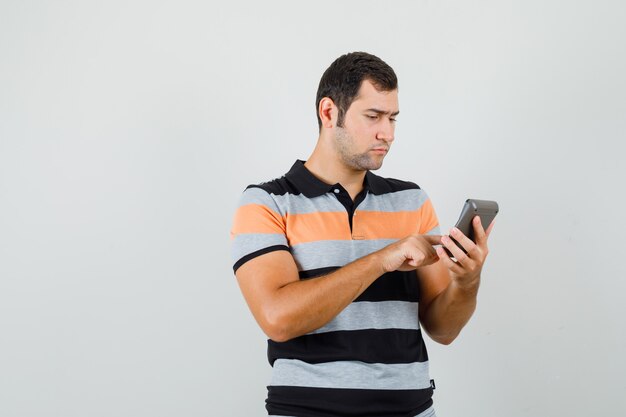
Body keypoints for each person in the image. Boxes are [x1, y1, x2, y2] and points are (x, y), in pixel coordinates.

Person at [230, 51, 494, 417]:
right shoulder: (267, 202)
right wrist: (383, 259)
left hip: (411, 409)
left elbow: (443, 329)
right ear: (328, 113)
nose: (386, 133)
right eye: (373, 116)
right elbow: (278, 318)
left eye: (392, 118)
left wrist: (467, 281)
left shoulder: (411, 200)